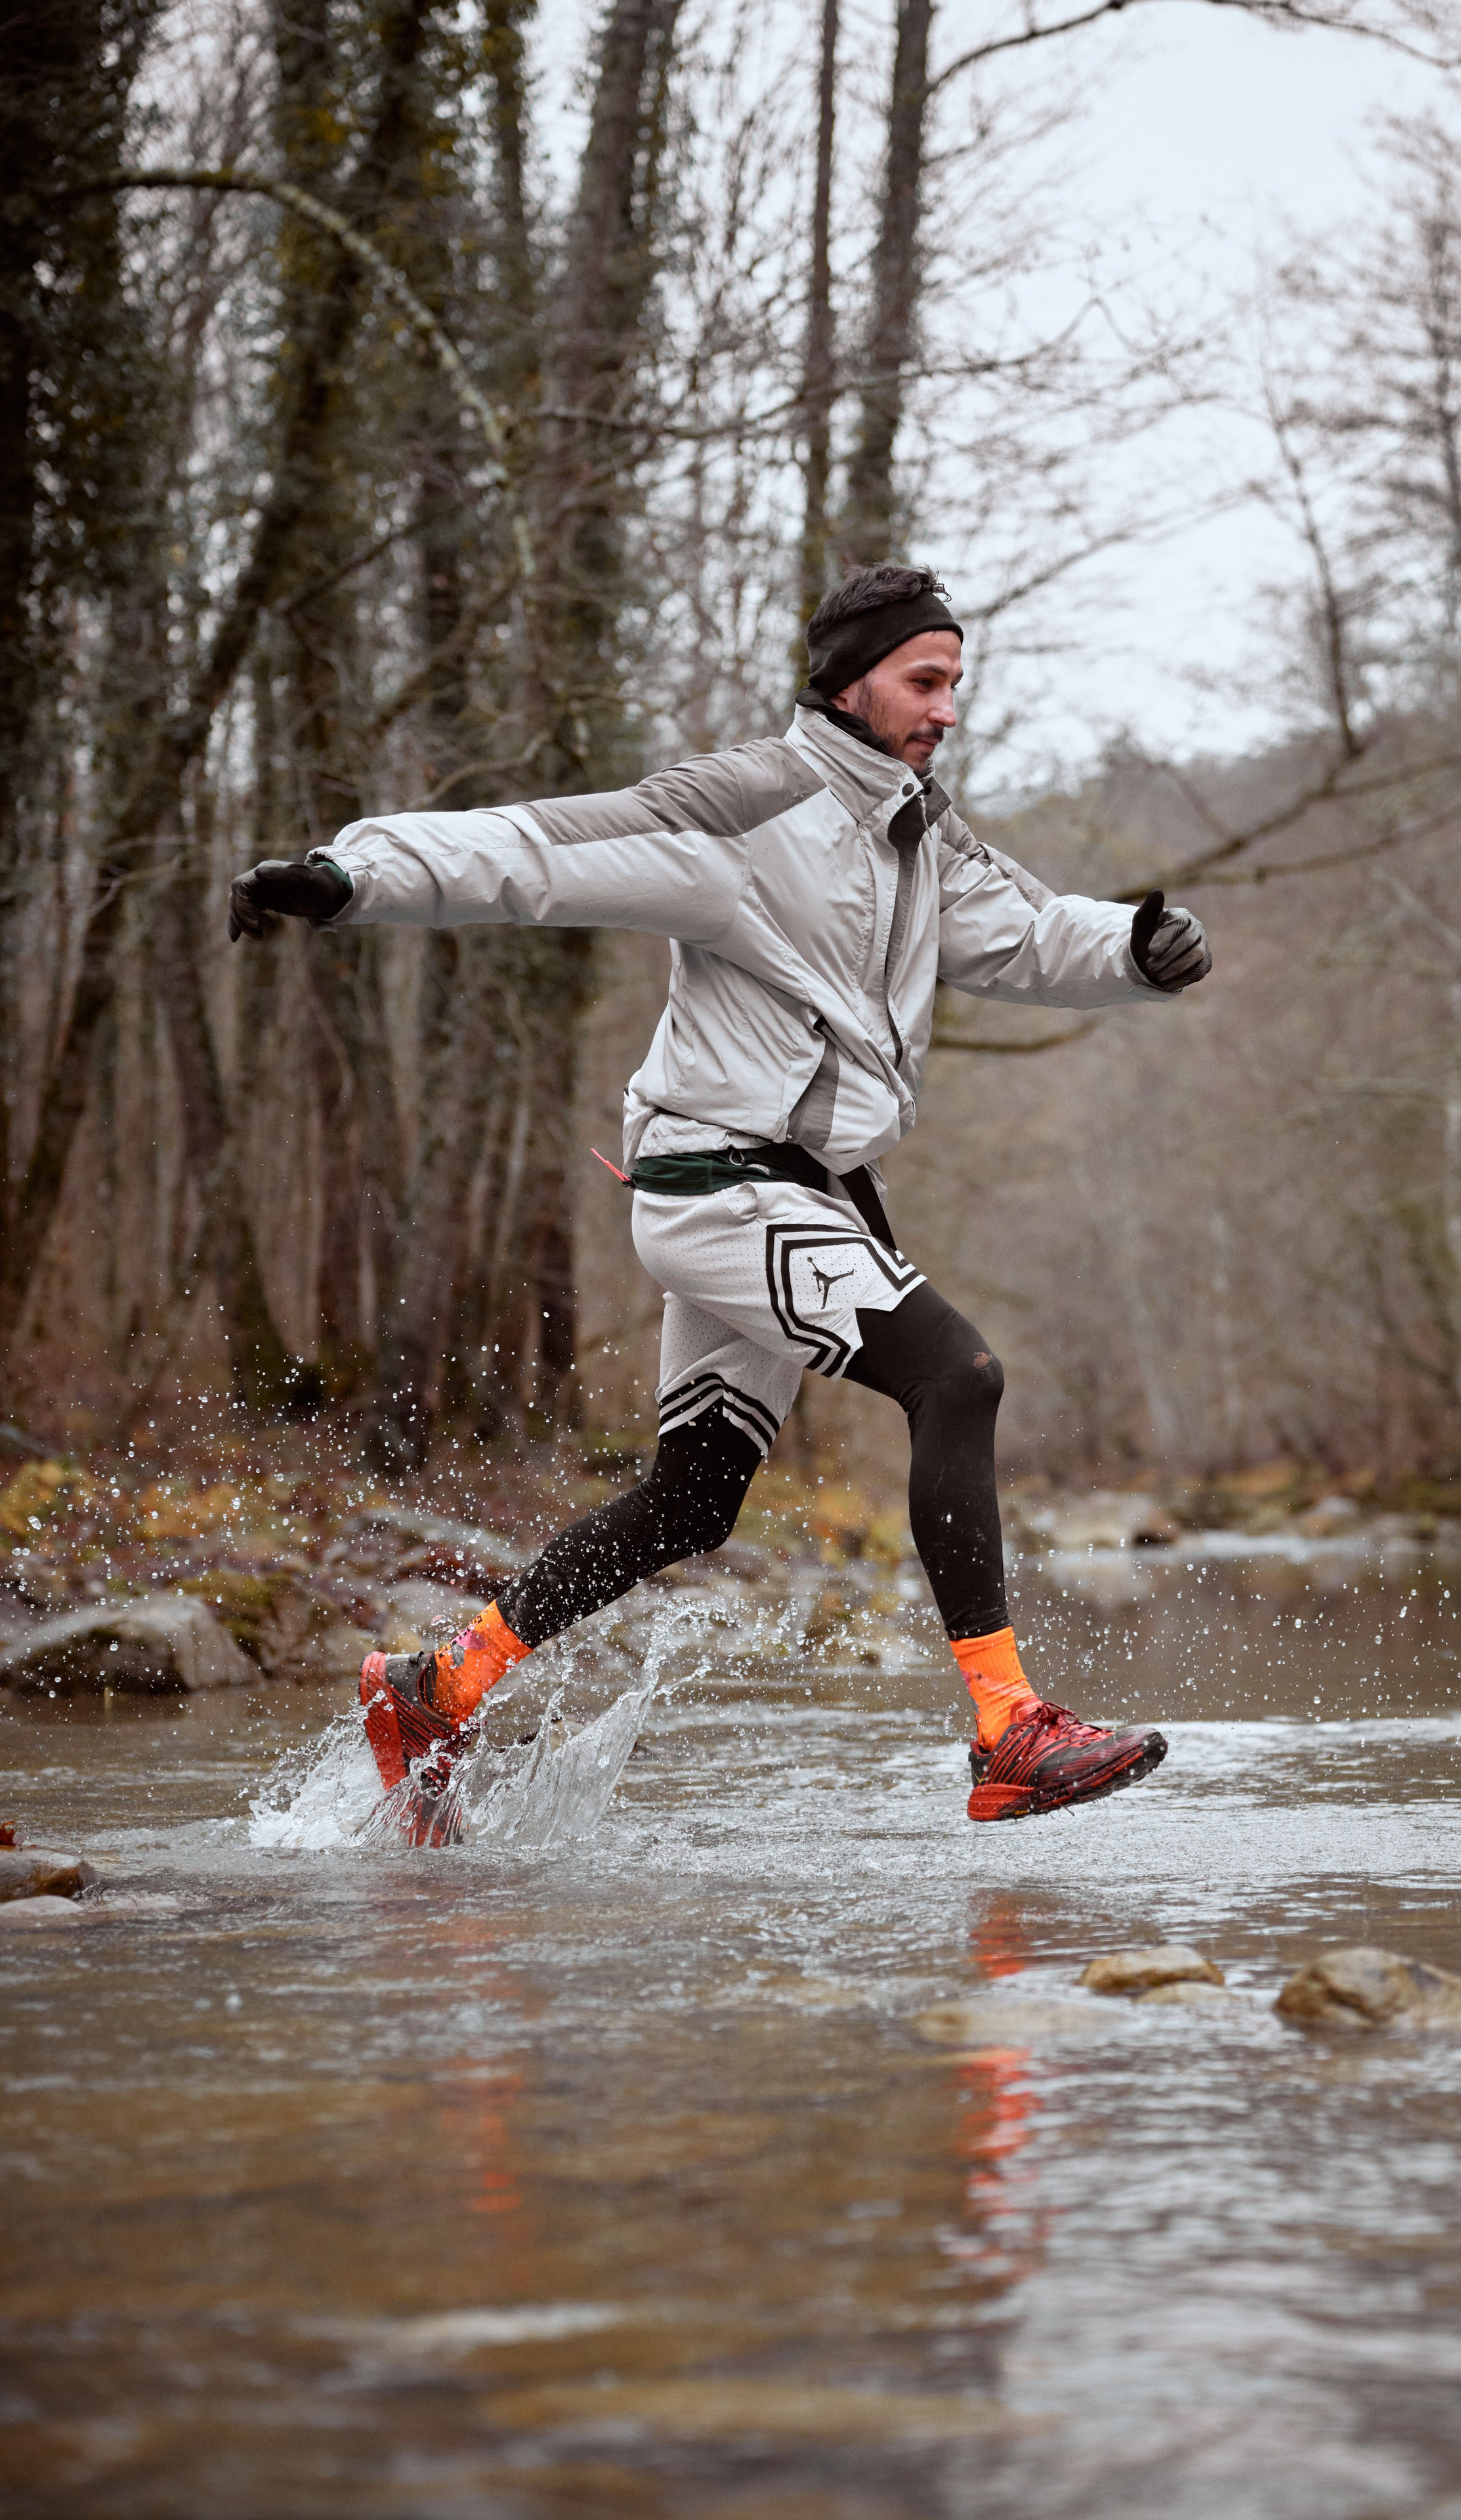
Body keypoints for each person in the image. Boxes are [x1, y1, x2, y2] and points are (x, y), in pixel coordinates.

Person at [228, 564, 1212, 1837]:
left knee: (693, 1499)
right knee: (955, 1375)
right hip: (724, 1186)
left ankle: (439, 1684)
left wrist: (1134, 949)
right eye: (925, 681)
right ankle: (1005, 1726)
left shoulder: (920, 834)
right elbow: (537, 852)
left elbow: (1028, 932)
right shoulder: (747, 813)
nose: (947, 709)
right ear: (849, 679)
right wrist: (352, 876)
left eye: (956, 683)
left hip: (800, 1197)